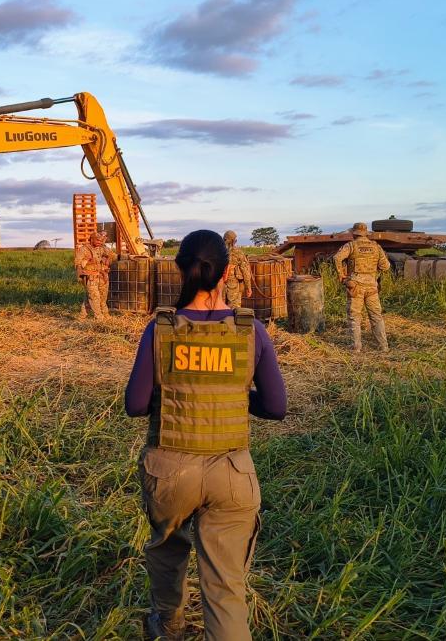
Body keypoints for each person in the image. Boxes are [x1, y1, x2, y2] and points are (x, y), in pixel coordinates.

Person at [125, 229, 287, 641]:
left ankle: (168, 625)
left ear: (181, 271)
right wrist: (234, 395)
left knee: (167, 552)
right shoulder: (251, 330)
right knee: (226, 588)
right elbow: (276, 407)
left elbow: (135, 405)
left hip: (169, 471)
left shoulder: (160, 329)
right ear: (227, 273)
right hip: (232, 473)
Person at [333, 222, 390, 353]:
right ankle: (383, 346)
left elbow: (337, 258)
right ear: (366, 233)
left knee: (354, 317)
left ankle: (356, 347)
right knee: (376, 316)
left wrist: (341, 275)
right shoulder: (376, 247)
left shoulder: (351, 245)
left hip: (355, 286)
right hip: (372, 287)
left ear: (354, 233)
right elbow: (386, 267)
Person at [75, 230, 114, 320]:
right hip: (91, 278)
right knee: (94, 297)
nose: (99, 242)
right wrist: (80, 276)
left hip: (103, 277)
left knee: (102, 298)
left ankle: (83, 316)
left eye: (101, 240)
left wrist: (108, 259)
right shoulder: (84, 249)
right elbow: (78, 263)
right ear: (92, 239)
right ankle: (99, 317)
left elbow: (113, 256)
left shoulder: (103, 248)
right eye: (97, 240)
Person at [222, 230, 253, 310]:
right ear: (234, 240)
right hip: (233, 285)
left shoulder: (218, 252)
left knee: (221, 308)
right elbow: (245, 271)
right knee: (234, 309)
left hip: (219, 285)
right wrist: (248, 288)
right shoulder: (238, 252)